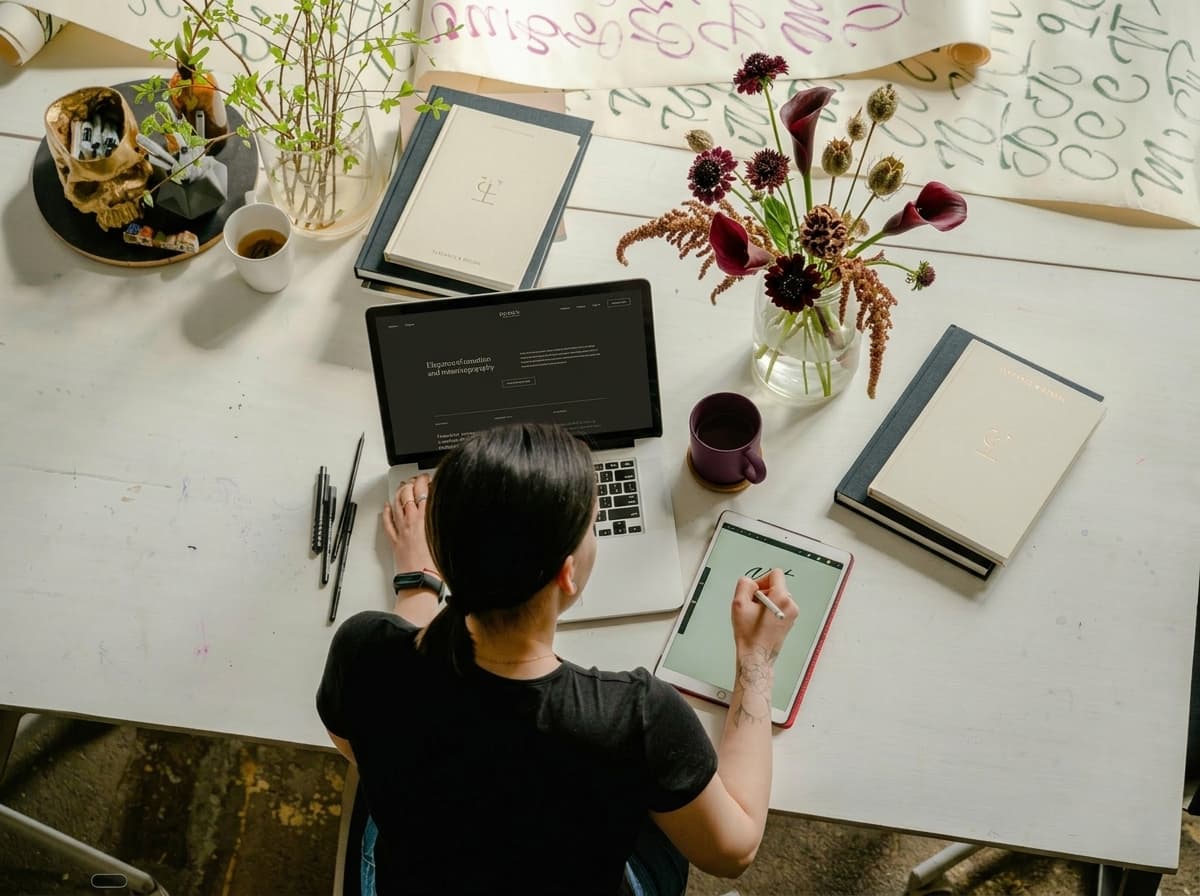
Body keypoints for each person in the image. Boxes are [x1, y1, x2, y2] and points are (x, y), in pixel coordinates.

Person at [316, 422, 797, 896]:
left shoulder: (364, 650)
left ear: (444, 552)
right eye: (592, 526)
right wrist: (757, 660)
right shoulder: (634, 717)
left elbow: (356, 743)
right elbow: (732, 853)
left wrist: (418, 579)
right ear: (567, 574)